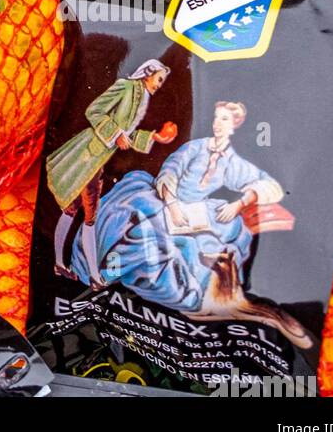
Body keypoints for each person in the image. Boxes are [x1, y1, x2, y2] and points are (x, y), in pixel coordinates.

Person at [72, 101, 285, 313]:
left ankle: (198, 297)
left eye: (224, 119)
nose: (218, 124)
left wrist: (240, 202)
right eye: (216, 118)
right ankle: (102, 274)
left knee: (230, 234)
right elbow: (170, 172)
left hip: (196, 211)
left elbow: (268, 185)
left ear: (234, 124)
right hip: (164, 199)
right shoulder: (195, 148)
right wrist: (173, 206)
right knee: (140, 224)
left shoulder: (232, 161)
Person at [46, 60, 177, 288]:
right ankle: (93, 276)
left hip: (99, 160)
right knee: (88, 215)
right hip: (88, 154)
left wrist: (154, 138)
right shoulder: (126, 87)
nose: (160, 84)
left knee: (73, 210)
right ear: (148, 73)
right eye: (159, 78)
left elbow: (127, 135)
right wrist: (115, 133)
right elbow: (94, 111)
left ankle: (60, 264)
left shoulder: (142, 97)